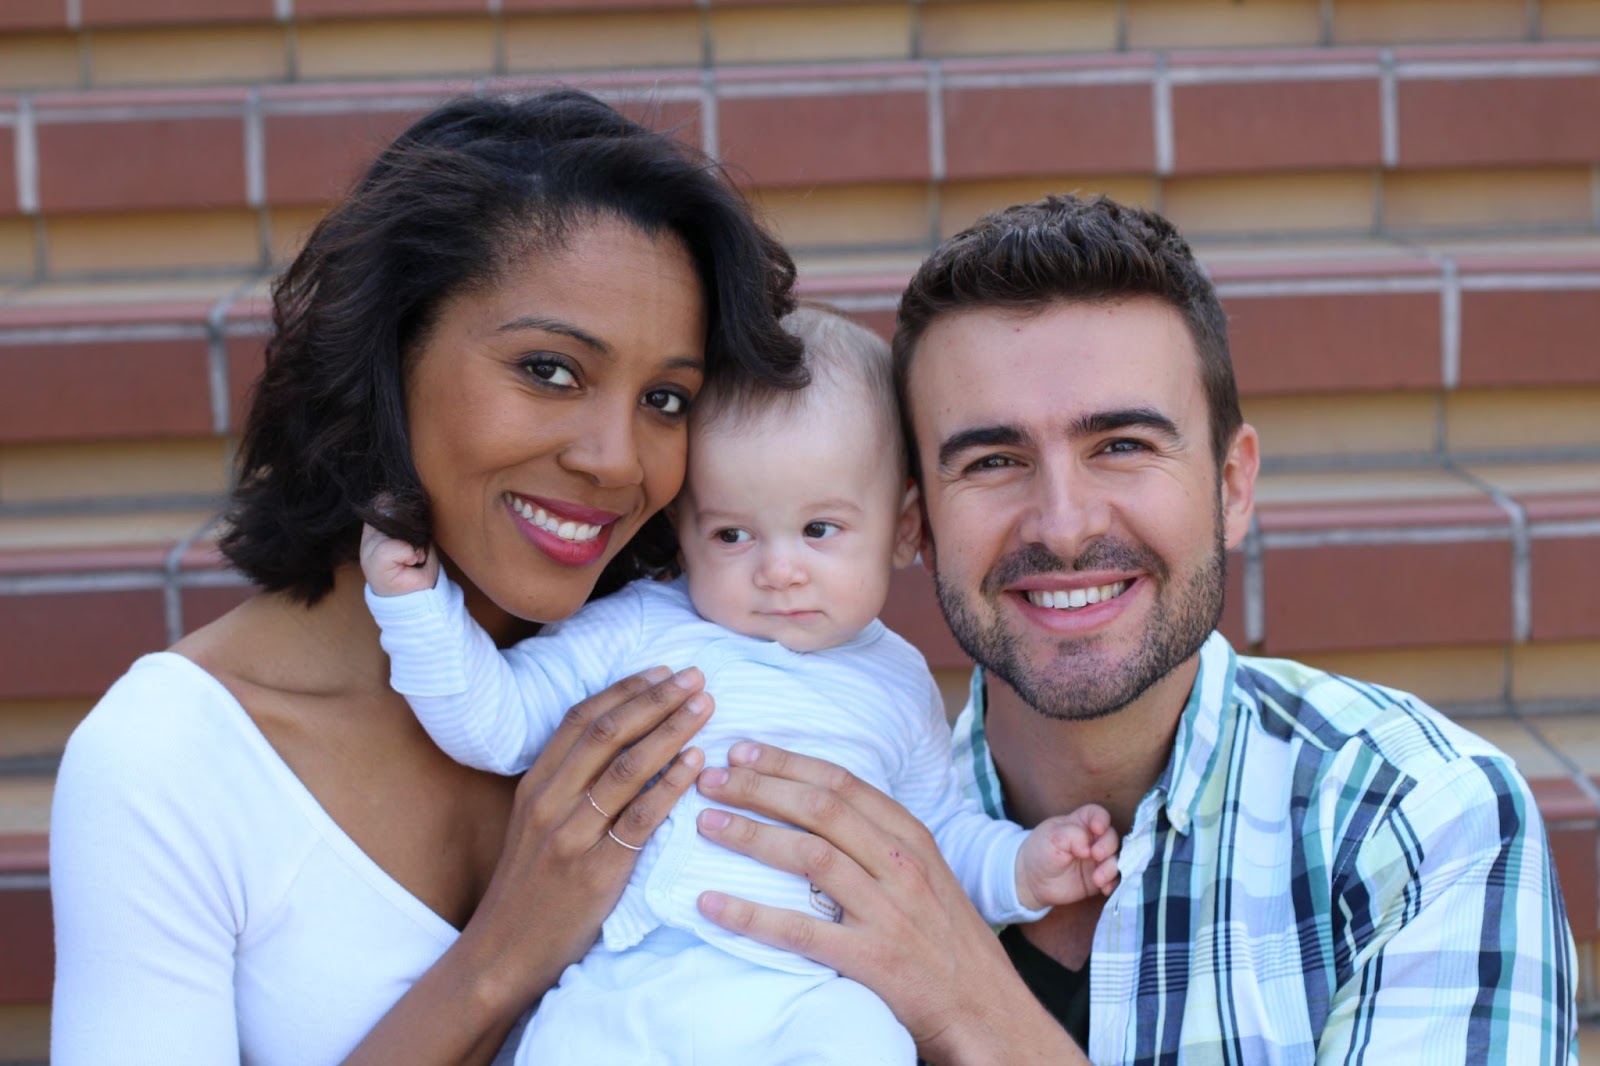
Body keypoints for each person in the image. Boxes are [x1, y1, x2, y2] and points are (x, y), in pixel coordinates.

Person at [688, 194, 1579, 1064]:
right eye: (994, 461)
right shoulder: (800, 836)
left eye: (1122, 444)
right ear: (914, 522)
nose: (1064, 526)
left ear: (1232, 486)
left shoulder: (1419, 818)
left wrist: (974, 1010)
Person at [49, 89, 812, 1066]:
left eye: (667, 398)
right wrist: (502, 958)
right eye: (549, 370)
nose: (619, 459)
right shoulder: (171, 760)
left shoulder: (681, 676)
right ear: (388, 353)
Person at [359, 304, 1121, 1064]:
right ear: (684, 534)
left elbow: (930, 848)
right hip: (634, 979)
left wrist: (1024, 869)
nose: (778, 568)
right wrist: (416, 608)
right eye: (732, 534)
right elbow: (494, 723)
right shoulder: (639, 631)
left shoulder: (897, 682)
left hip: (815, 993)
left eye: (820, 529)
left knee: (869, 1044)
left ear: (904, 529)